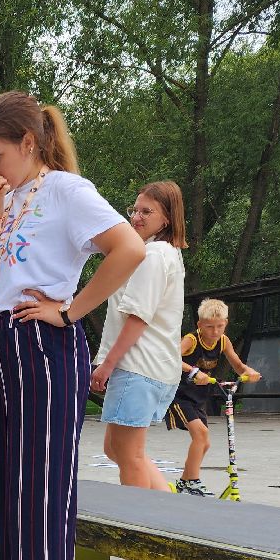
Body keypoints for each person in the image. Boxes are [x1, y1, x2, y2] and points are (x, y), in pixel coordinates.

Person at [0, 90, 144, 560]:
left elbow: (129, 247)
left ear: (28, 143)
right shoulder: (7, 203)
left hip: (44, 342)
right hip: (2, 345)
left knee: (42, 486)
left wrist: (72, 310)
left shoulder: (66, 191)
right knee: (4, 484)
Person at [91, 181, 189, 491]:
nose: (137, 217)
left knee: (129, 455)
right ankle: (166, 507)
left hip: (138, 367)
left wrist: (107, 364)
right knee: (116, 450)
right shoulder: (160, 253)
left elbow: (137, 318)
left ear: (168, 219)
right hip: (150, 368)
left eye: (147, 211)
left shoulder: (155, 254)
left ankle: (142, 526)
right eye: (135, 210)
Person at [165, 299, 259, 496]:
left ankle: (184, 482)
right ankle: (193, 481)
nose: (215, 331)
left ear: (226, 322)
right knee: (201, 435)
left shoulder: (224, 341)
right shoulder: (192, 340)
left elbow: (238, 365)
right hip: (179, 395)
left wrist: (248, 372)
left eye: (220, 326)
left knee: (204, 442)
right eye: (210, 327)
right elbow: (170, 356)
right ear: (200, 325)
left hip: (199, 397)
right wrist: (193, 371)